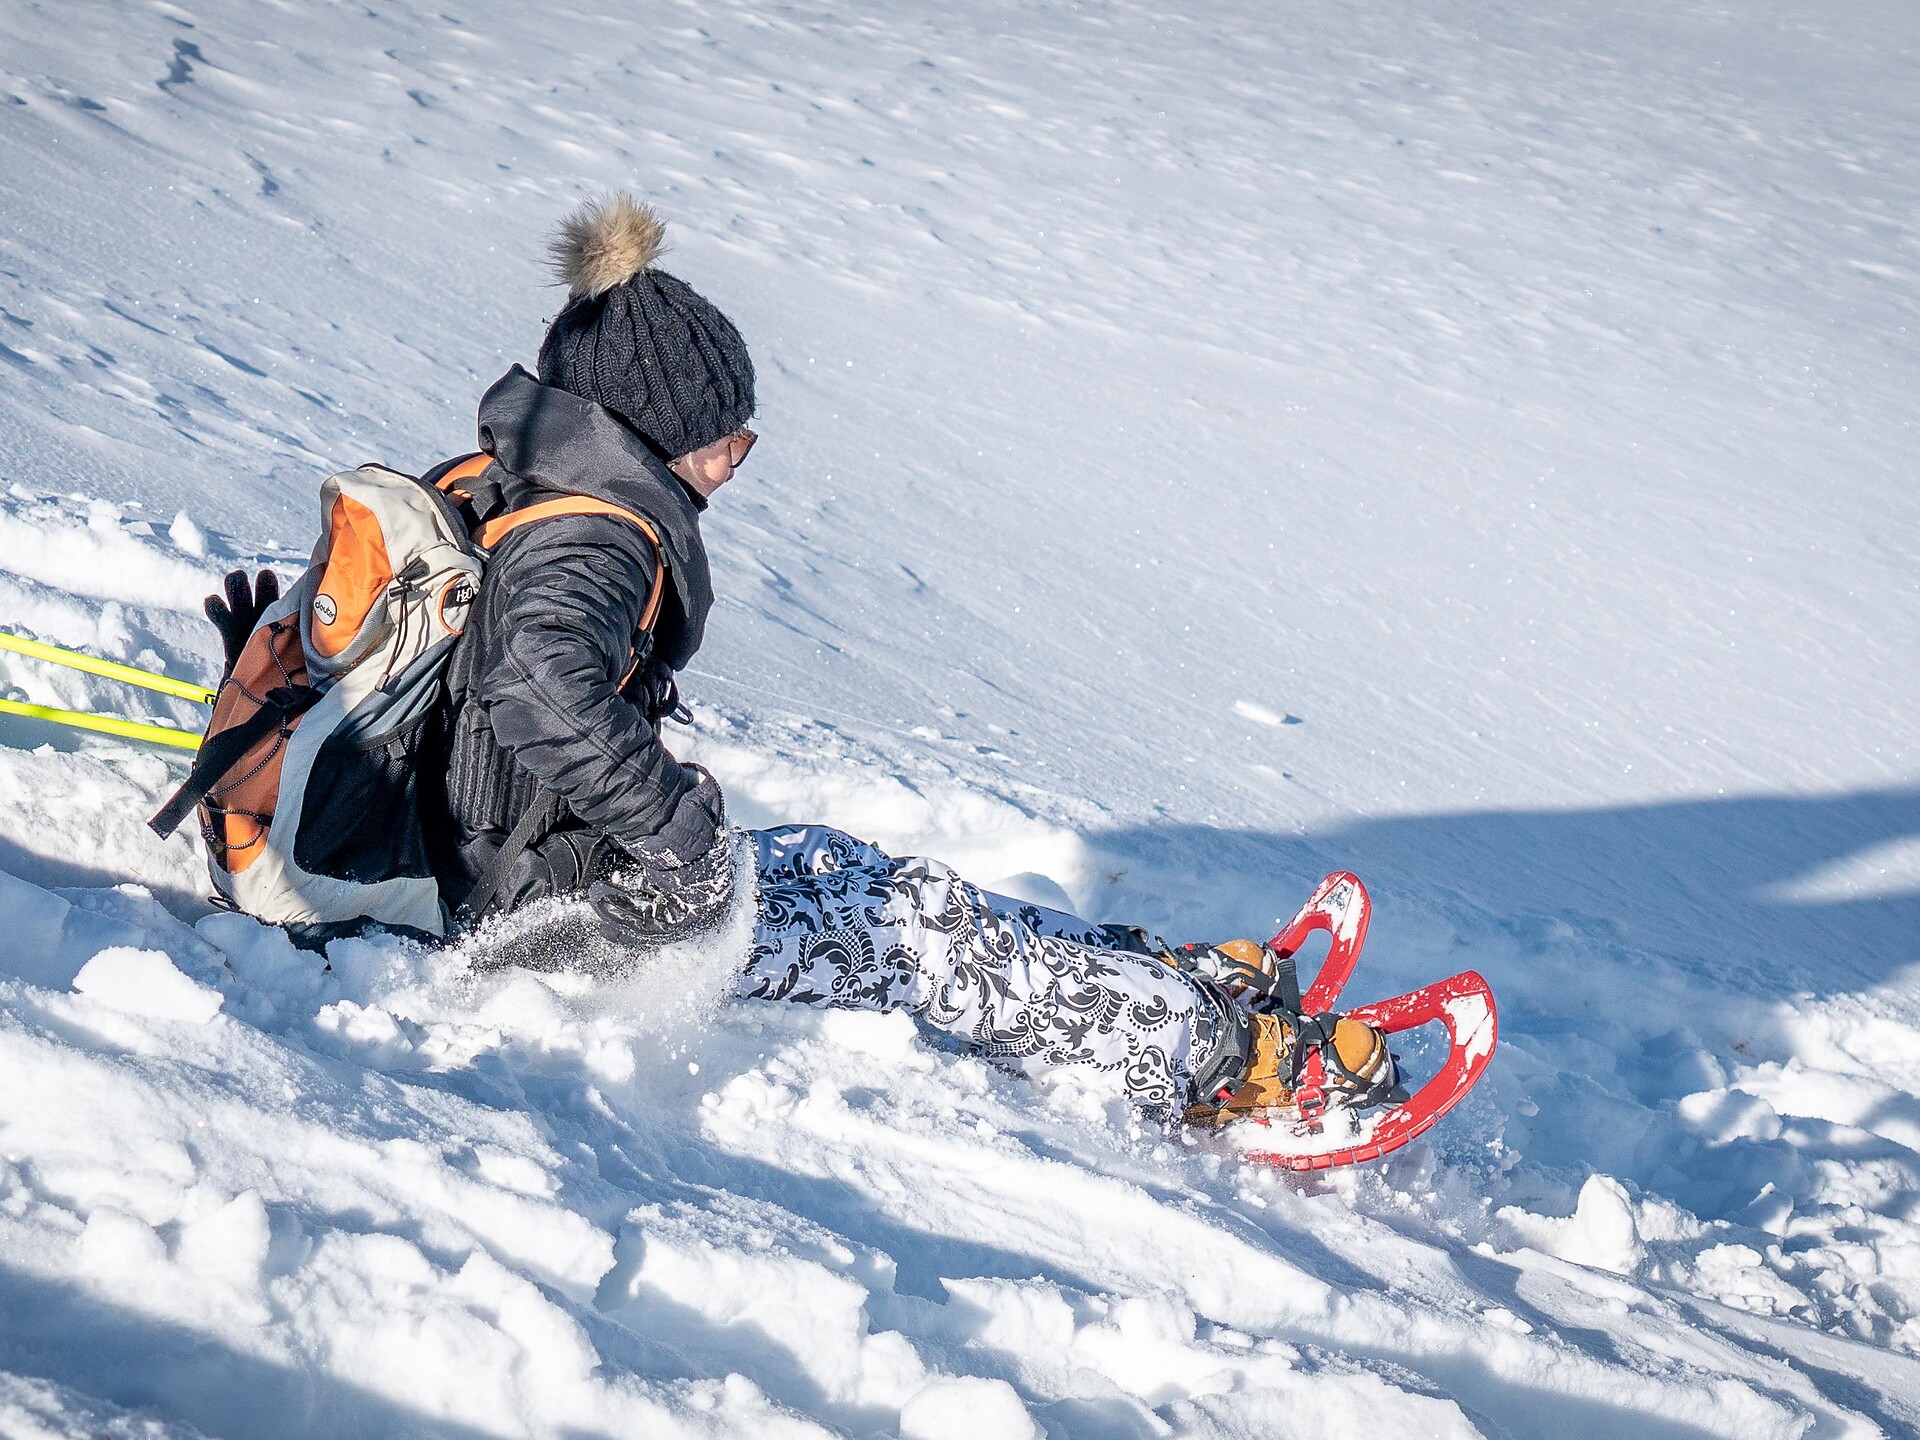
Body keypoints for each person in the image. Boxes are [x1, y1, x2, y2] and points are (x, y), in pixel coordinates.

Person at [209, 194, 1393, 1123]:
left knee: (857, 871)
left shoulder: (538, 478)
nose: (742, 453)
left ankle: (1153, 988)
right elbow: (535, 687)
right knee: (909, 941)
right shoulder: (594, 536)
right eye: (729, 433)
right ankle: (1227, 1058)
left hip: (521, 860)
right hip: (525, 907)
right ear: (656, 430)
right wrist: (674, 829)